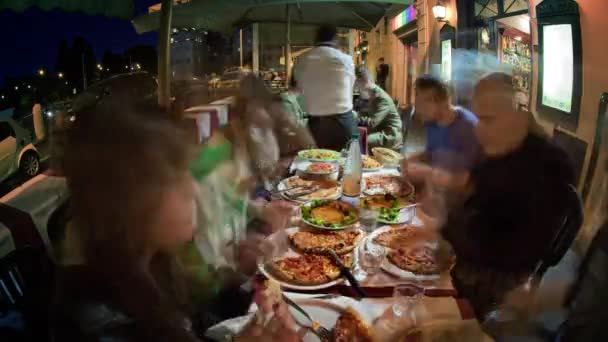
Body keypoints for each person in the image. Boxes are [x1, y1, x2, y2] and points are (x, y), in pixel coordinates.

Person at [52, 99, 302, 341]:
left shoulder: (155, 263)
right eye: (175, 177)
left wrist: (245, 281)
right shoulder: (103, 324)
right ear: (132, 201)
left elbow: (195, 325)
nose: (193, 189)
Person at [434, 72, 576, 318]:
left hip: (493, 281)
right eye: (479, 118)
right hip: (470, 255)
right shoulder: (500, 145)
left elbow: (515, 252)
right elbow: (475, 198)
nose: (479, 129)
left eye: (487, 120)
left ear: (516, 113)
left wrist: (447, 235)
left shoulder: (549, 165)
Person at [294, 24, 356, 151]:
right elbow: (350, 85)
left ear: (315, 39)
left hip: (316, 125)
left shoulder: (302, 59)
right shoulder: (345, 59)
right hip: (343, 122)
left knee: (315, 165)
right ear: (335, 39)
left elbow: (299, 87)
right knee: (348, 165)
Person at [408, 74, 480, 174]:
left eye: (422, 102)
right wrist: (412, 159)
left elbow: (467, 179)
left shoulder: (467, 126)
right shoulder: (431, 123)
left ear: (441, 102)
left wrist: (427, 173)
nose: (418, 108)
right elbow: (433, 153)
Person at [354, 66, 402, 150]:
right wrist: (356, 115)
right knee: (356, 135)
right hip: (380, 129)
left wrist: (355, 118)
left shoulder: (381, 98)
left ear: (363, 81)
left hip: (390, 135)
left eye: (356, 82)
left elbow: (372, 123)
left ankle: (363, 161)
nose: (355, 86)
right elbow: (368, 113)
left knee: (361, 139)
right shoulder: (372, 94)